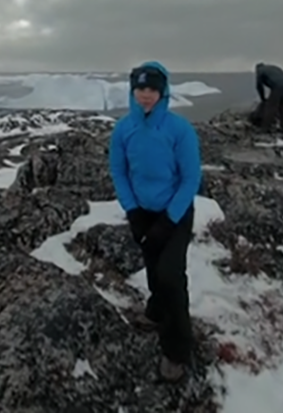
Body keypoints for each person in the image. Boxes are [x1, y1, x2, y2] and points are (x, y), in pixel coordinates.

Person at [108, 60, 202, 382]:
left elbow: (191, 179)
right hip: (143, 212)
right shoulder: (124, 129)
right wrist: (132, 210)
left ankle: (178, 348)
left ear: (163, 93)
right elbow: (119, 171)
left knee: (171, 276)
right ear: (133, 92)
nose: (146, 96)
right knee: (152, 266)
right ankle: (156, 310)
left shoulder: (179, 130)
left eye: (152, 90)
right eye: (140, 89)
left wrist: (168, 220)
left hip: (175, 212)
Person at [252, 62, 283, 132]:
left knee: (271, 107)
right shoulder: (272, 67)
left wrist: (263, 99)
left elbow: (259, 86)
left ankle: (265, 128)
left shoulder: (260, 71)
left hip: (278, 86)